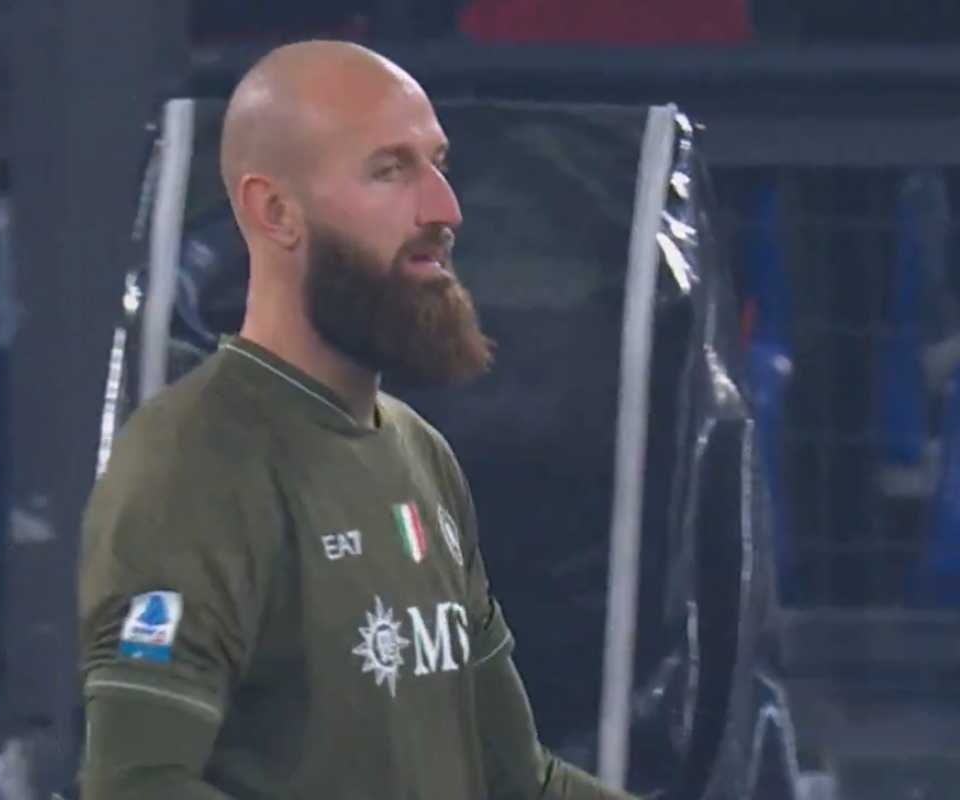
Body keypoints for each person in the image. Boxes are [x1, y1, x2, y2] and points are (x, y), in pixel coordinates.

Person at [78, 39, 638, 800]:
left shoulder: (419, 453)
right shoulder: (195, 465)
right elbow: (138, 787)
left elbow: (515, 779)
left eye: (438, 164)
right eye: (390, 170)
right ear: (275, 211)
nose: (444, 209)